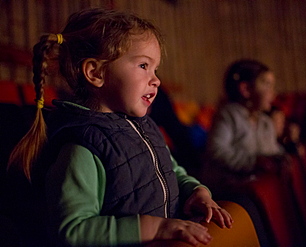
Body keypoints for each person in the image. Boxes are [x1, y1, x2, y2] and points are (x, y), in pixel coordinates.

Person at [7, 8, 233, 246]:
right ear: (96, 73)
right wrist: (156, 227)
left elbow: (173, 172)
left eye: (155, 69)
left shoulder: (145, 128)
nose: (156, 79)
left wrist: (197, 192)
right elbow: (72, 229)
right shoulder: (82, 148)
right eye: (144, 66)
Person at [202, 59, 287, 247]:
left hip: (256, 190)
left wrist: (281, 157)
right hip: (229, 190)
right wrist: (255, 162)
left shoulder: (265, 122)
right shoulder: (229, 114)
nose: (273, 91)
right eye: (266, 84)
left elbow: (272, 151)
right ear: (245, 89)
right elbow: (217, 151)